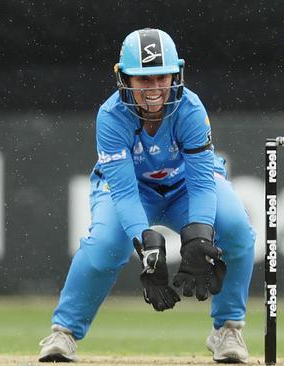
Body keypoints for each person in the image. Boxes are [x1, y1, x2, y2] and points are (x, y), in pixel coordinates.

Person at [38, 28, 254, 364]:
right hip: (132, 190)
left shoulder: (191, 108)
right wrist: (146, 244)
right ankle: (63, 332)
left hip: (185, 188)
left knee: (236, 229)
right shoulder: (110, 116)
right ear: (124, 79)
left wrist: (199, 233)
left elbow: (201, 181)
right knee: (105, 246)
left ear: (175, 74)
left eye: (161, 77)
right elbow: (123, 192)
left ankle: (228, 328)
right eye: (143, 80)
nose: (154, 89)